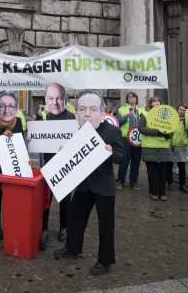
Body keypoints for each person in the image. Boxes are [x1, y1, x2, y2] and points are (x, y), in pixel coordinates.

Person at [53, 90, 126, 276]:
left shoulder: (112, 131)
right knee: (75, 216)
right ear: (77, 114)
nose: (87, 113)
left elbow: (122, 157)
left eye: (93, 109)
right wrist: (65, 151)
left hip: (103, 186)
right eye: (82, 109)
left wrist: (109, 153)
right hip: (84, 185)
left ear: (102, 114)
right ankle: (72, 249)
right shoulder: (79, 131)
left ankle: (105, 260)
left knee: (106, 225)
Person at [0, 90, 25, 240]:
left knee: (14, 195)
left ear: (16, 108)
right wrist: (1, 137)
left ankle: (13, 223)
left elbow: (21, 143)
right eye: (2, 106)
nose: (6, 110)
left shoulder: (19, 122)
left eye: (11, 106)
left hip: (14, 166)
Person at [39, 82, 75, 242]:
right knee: (46, 198)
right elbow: (44, 140)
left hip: (65, 165)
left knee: (65, 199)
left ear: (65, 100)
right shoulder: (47, 116)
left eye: (59, 98)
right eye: (51, 98)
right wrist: (34, 139)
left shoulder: (71, 117)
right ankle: (43, 226)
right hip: (49, 163)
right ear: (46, 100)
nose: (55, 102)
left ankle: (64, 227)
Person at [138, 96, 173, 201]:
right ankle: (153, 192)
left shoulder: (167, 115)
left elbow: (171, 132)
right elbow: (141, 128)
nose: (157, 103)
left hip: (164, 148)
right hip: (150, 147)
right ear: (150, 103)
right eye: (154, 101)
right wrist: (158, 132)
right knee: (152, 172)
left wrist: (167, 134)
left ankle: (162, 193)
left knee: (163, 173)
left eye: (158, 101)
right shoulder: (145, 114)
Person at [115, 92, 146, 189]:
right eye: (129, 97)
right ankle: (120, 180)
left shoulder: (142, 110)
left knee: (136, 161)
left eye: (133, 97)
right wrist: (124, 117)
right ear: (127, 99)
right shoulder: (121, 109)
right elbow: (117, 122)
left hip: (138, 138)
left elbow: (147, 122)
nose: (132, 98)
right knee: (124, 160)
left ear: (136, 99)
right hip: (125, 138)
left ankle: (134, 181)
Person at [167, 105, 188, 193]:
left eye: (184, 110)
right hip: (171, 145)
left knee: (182, 166)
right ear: (177, 110)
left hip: (182, 145)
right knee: (169, 165)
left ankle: (182, 184)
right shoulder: (172, 118)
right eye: (180, 109)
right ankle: (169, 183)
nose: (181, 111)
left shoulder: (186, 120)